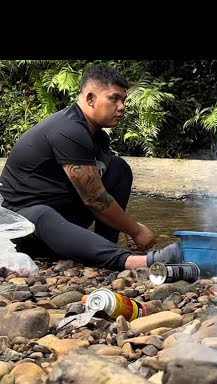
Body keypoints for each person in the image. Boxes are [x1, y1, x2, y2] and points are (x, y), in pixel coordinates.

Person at [0, 63, 181, 271]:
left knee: (119, 169)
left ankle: (105, 248)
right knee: (41, 214)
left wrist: (127, 227)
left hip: (60, 217)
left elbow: (98, 193)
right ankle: (134, 262)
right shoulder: (68, 130)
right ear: (90, 99)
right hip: (22, 230)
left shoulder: (96, 136)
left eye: (123, 100)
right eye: (114, 98)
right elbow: (95, 199)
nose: (122, 107)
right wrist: (136, 230)